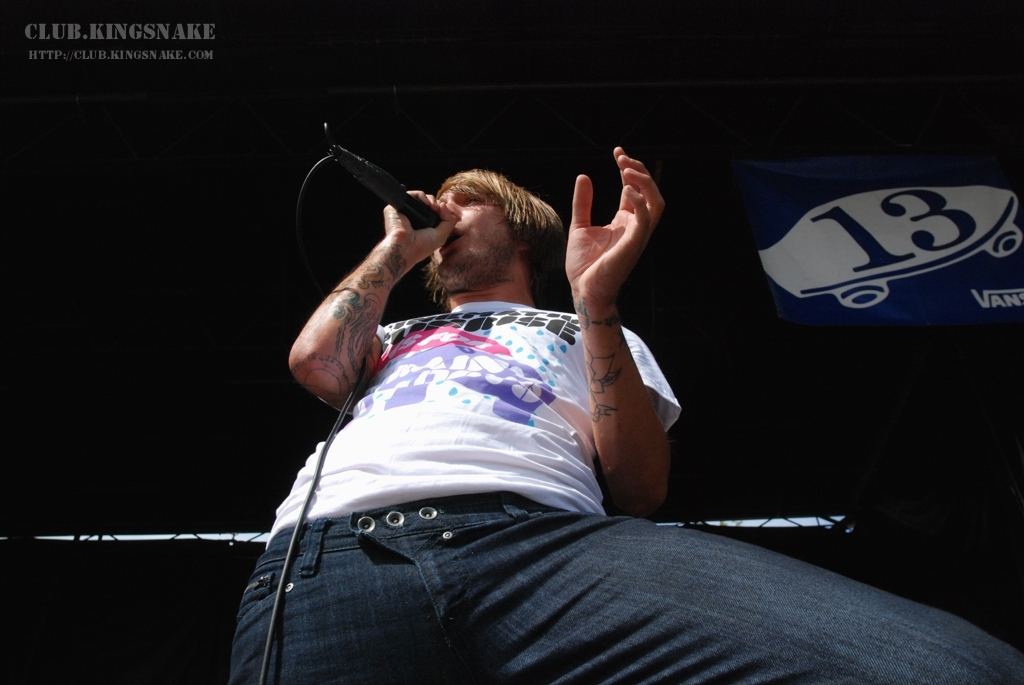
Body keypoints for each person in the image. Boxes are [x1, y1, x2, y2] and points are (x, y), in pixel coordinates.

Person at [229, 149, 1024, 684]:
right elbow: (317, 364)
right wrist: (400, 249)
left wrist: (597, 299)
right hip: (335, 552)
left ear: (521, 229)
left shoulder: (585, 326)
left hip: (542, 547)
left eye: (468, 204)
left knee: (950, 666)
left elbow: (640, 487)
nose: (448, 213)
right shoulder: (395, 332)